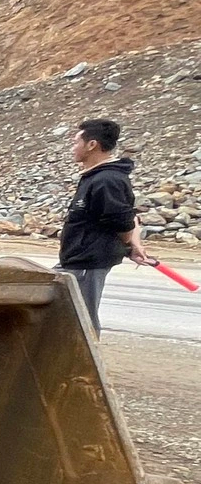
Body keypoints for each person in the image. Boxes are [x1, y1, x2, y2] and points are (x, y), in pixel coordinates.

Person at [58, 117, 145, 333]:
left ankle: (88, 365)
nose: (73, 148)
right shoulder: (96, 177)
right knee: (59, 305)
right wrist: (132, 245)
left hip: (88, 263)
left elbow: (123, 221)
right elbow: (128, 216)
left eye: (76, 142)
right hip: (77, 260)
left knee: (82, 320)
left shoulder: (107, 180)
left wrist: (128, 244)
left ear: (91, 145)